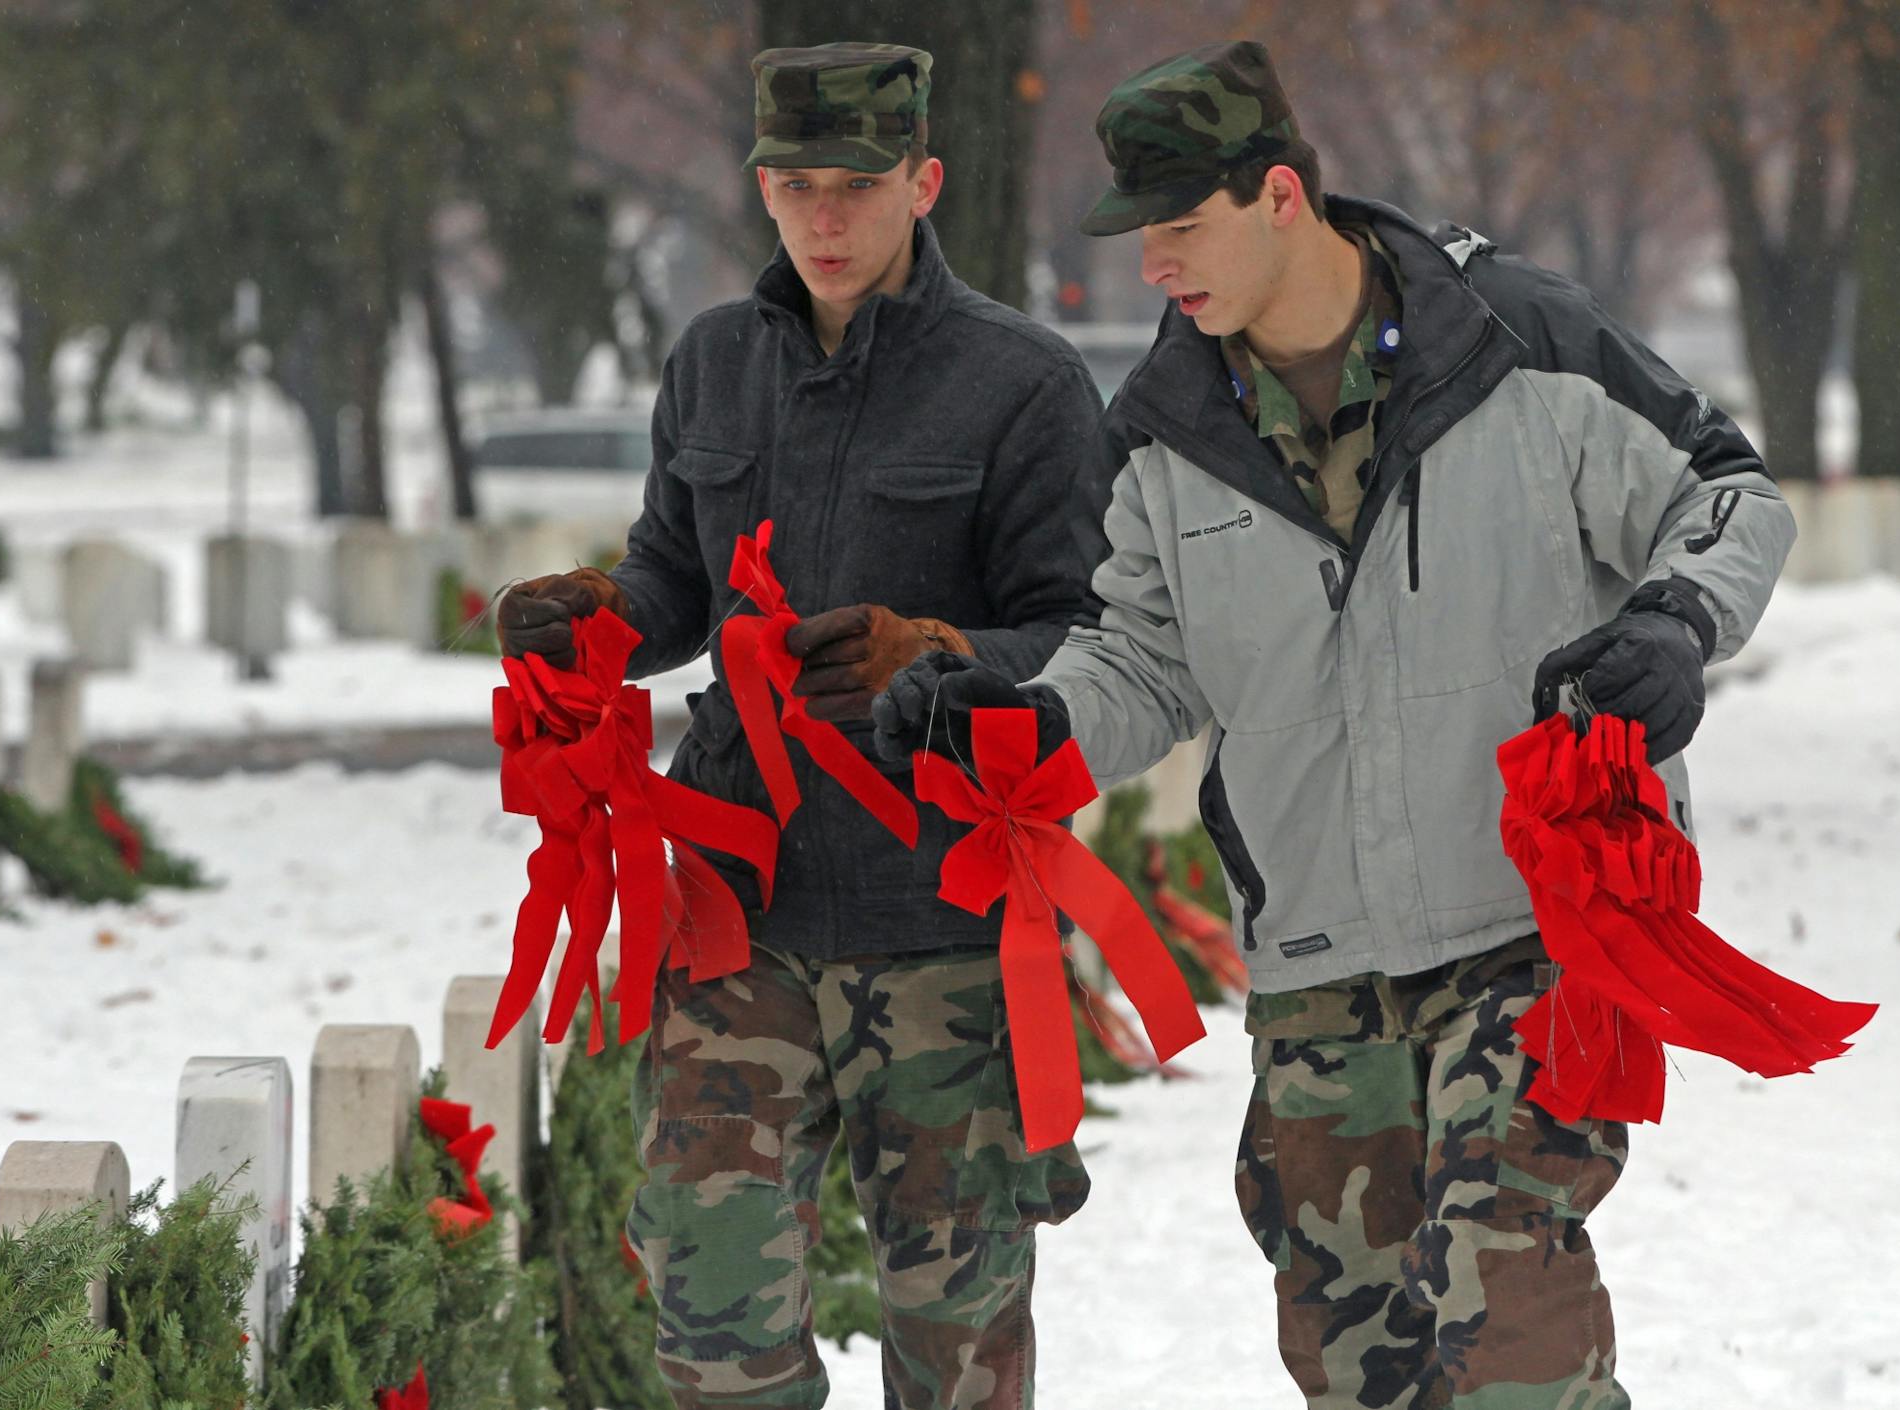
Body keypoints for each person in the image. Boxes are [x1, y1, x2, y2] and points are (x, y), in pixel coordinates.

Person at [875, 40, 1794, 1410]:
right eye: (1142, 235)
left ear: (1283, 195)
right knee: (1356, 1362)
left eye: (1182, 228)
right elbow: (1144, 664)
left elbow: (1727, 494)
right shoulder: (1160, 436)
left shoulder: (1520, 345)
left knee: (1509, 1306)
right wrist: (1018, 714)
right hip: (1315, 966)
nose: (1157, 267)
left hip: (1526, 930)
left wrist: (1675, 621)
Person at [499, 41, 1110, 1410]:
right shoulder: (714, 363)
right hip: (741, 910)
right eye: (795, 185)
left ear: (924, 181)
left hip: (938, 915)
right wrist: (593, 616)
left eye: (856, 184)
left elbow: (1086, 634)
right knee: (709, 1310)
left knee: (957, 1335)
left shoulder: (1023, 382)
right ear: (761, 188)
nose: (824, 218)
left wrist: (935, 653)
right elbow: (675, 577)